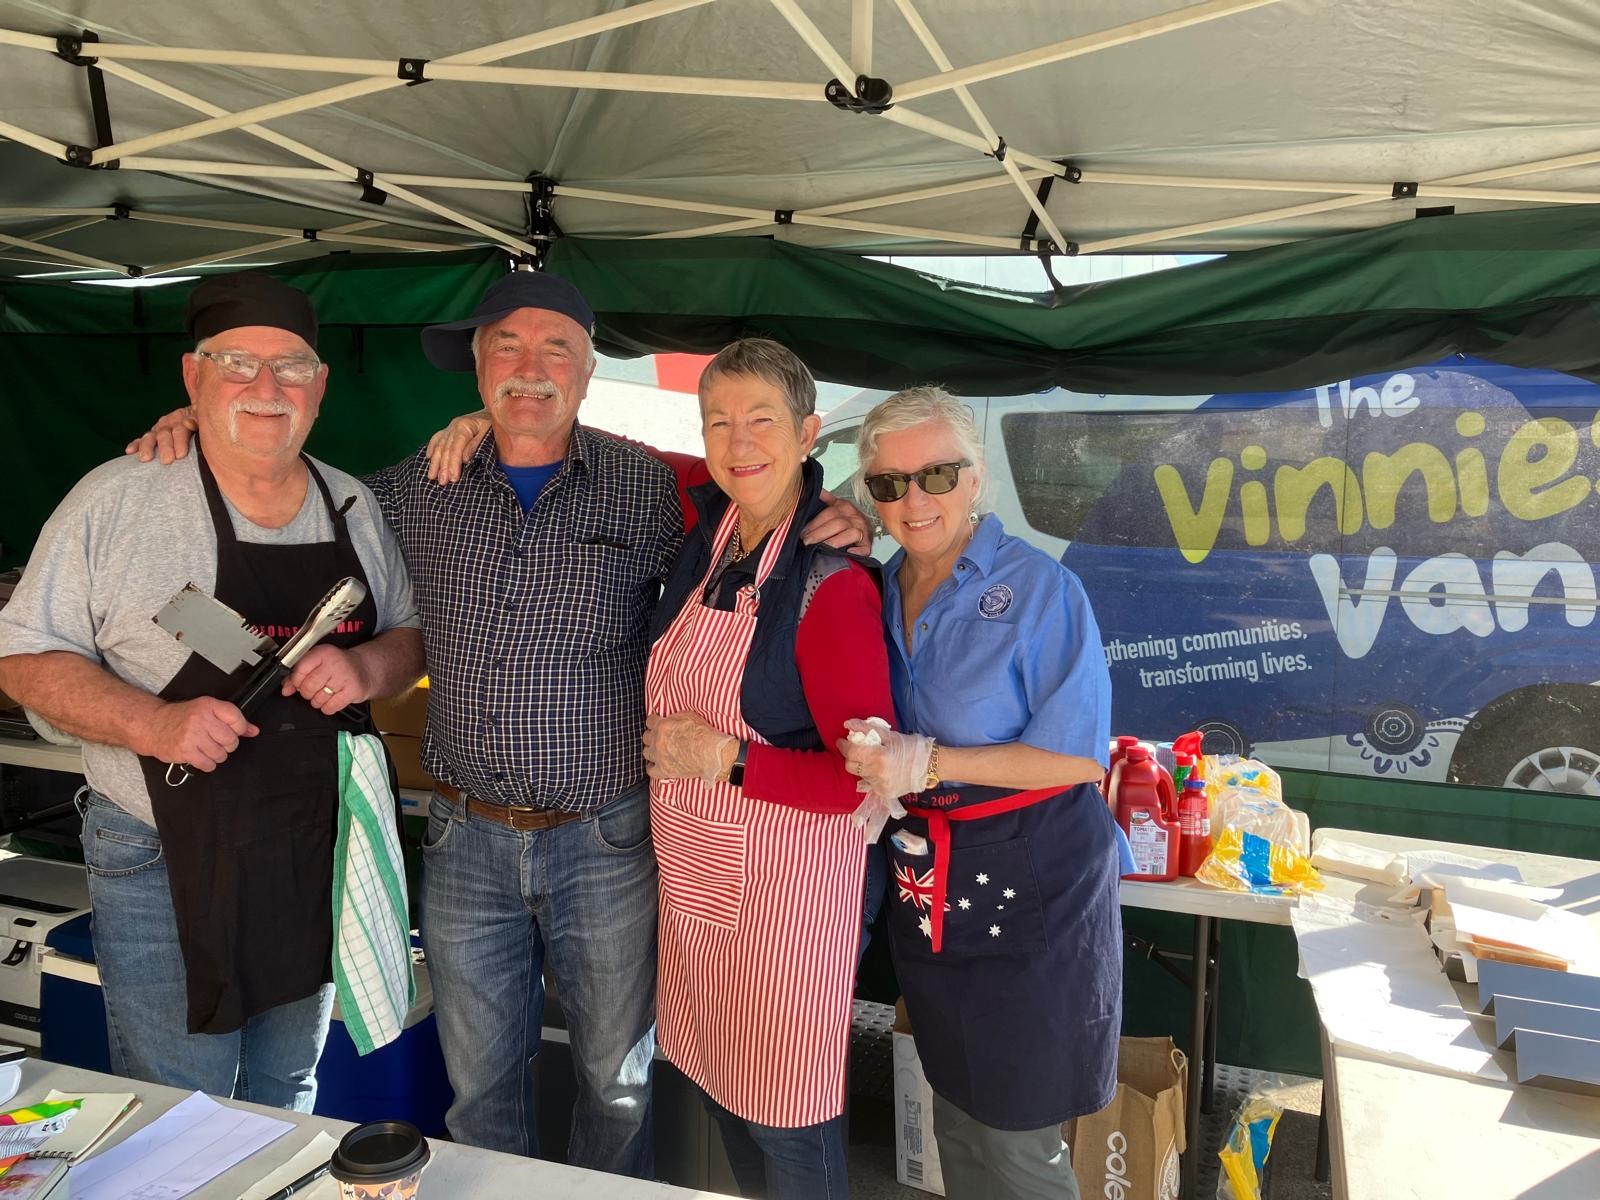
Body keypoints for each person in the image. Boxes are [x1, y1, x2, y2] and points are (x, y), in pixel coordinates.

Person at [129, 270, 869, 1174]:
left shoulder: (654, 486)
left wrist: (842, 512)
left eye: (556, 347)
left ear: (590, 371)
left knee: (615, 1081)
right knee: (479, 1085)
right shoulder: (404, 492)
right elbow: (280, 489)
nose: (530, 368)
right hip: (465, 840)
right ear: (477, 370)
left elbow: (762, 490)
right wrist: (194, 430)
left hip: (609, 838)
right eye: (506, 347)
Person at [0, 273, 425, 1111]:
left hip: (308, 845)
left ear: (321, 387)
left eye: (292, 368)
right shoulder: (118, 499)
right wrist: (152, 722)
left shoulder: (353, 503)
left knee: (285, 1088)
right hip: (161, 855)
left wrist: (365, 669)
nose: (267, 389)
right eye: (238, 364)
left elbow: (406, 634)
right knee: (176, 1101)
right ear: (194, 379)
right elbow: (20, 654)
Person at [840, 386, 1122, 1200]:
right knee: (953, 1112)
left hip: (1034, 878)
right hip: (931, 878)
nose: (912, 500)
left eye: (935, 474)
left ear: (976, 477)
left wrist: (925, 762)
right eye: (888, 485)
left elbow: (1076, 759)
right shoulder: (880, 586)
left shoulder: (1040, 591)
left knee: (1017, 1138)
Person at [640, 338, 894, 1200]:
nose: (739, 442)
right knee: (725, 1104)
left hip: (791, 914)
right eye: (720, 421)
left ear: (810, 433)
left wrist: (726, 759)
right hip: (703, 890)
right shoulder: (707, 539)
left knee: (788, 1134)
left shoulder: (832, 586)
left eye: (763, 421)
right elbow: (567, 435)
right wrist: (474, 419)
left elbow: (865, 778)